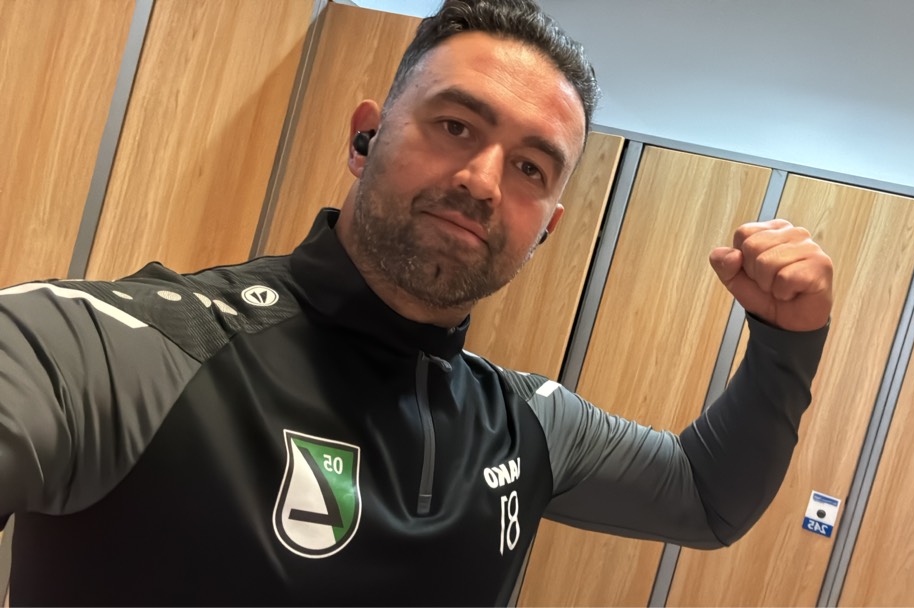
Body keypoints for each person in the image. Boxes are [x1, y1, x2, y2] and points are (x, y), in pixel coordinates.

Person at [0, 0, 832, 605]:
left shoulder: (529, 425)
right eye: (456, 126)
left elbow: (705, 497)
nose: (482, 181)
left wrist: (788, 339)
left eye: (531, 168)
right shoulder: (140, 348)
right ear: (365, 137)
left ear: (546, 229)